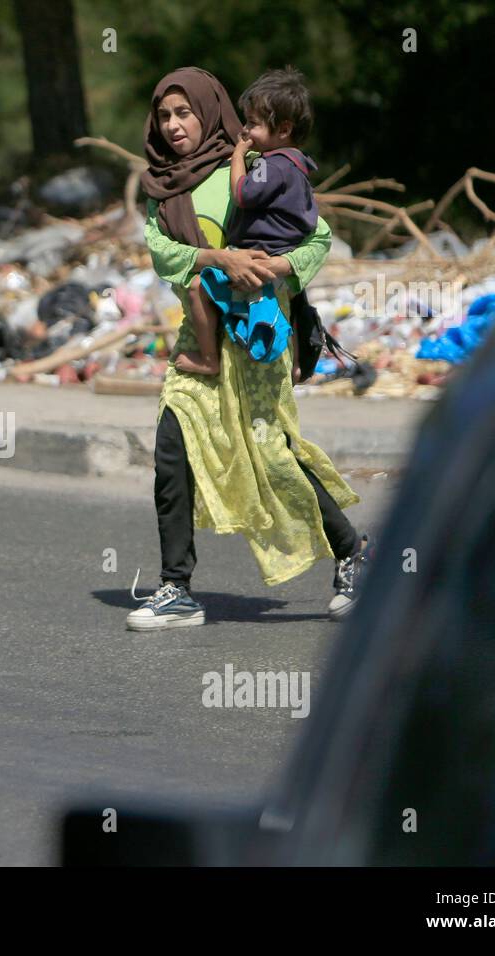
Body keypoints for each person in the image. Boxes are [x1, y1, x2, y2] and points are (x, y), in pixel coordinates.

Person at [126, 66, 371, 632]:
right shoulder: (164, 186)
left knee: (271, 449)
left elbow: (317, 236)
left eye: (184, 113)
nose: (173, 126)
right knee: (173, 448)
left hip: (257, 328)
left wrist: (277, 267)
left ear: (209, 112)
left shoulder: (255, 165)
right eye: (164, 116)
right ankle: (176, 587)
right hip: (201, 330)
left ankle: (352, 549)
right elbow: (162, 252)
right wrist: (219, 259)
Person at [176, 67, 321, 380]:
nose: (245, 130)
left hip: (259, 260)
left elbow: (242, 193)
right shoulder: (298, 165)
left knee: (198, 289)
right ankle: (295, 362)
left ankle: (208, 359)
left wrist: (240, 154)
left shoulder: (273, 165)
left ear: (283, 129)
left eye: (253, 123)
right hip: (280, 261)